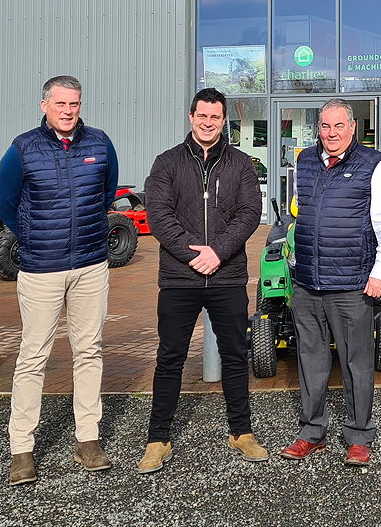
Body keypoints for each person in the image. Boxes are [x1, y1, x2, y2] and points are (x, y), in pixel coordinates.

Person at [0, 75, 119, 486]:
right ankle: (22, 449)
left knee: (89, 351)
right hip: (41, 270)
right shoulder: (22, 149)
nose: (69, 111)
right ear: (44, 104)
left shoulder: (100, 144)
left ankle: (88, 438)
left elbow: (104, 196)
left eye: (75, 104)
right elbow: (7, 205)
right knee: (33, 357)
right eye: (61, 103)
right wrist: (33, 239)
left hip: (89, 265)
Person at [137, 87, 267, 474]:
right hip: (180, 278)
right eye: (202, 116)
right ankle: (157, 439)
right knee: (170, 358)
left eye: (215, 117)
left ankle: (241, 432)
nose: (208, 123)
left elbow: (249, 213)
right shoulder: (167, 163)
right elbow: (158, 215)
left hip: (226, 276)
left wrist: (218, 252)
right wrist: (195, 254)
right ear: (191, 116)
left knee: (234, 355)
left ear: (223, 120)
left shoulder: (242, 164)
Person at [279, 98, 381, 467]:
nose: (331, 134)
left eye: (338, 126)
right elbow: (301, 212)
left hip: (351, 284)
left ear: (352, 128)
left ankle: (359, 435)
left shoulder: (373, 165)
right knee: (310, 360)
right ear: (318, 128)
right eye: (325, 127)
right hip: (308, 283)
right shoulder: (304, 161)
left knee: (356, 363)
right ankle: (311, 431)